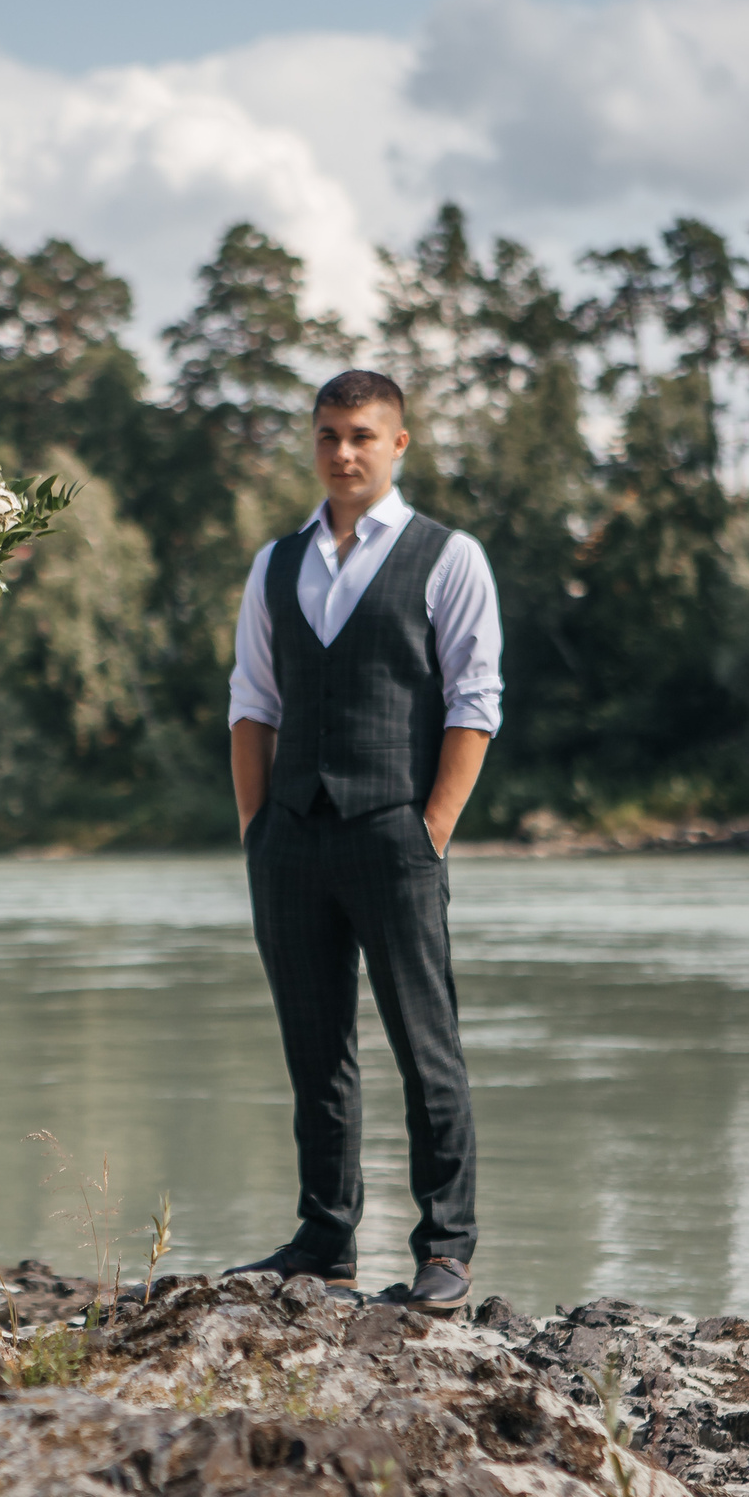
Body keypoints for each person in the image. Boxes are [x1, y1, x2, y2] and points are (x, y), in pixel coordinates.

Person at [225, 369, 502, 1317]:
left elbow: (475, 703)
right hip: (291, 838)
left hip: (394, 833)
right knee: (316, 1050)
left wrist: (431, 829)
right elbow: (252, 702)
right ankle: (325, 1239)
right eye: (329, 435)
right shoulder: (275, 563)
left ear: (399, 445)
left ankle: (447, 1249)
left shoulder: (448, 556)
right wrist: (257, 830)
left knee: (427, 1044)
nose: (344, 452)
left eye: (363, 436)